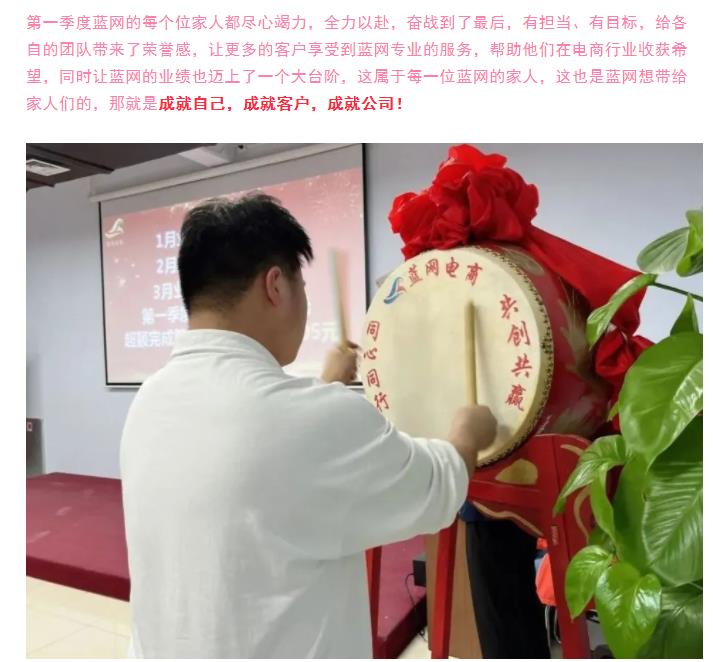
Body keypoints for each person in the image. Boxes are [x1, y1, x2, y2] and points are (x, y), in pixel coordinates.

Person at [120, 193, 498, 659]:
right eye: (302, 285)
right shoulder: (312, 421)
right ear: (275, 285)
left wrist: (325, 387)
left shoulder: (150, 400)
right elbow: (436, 487)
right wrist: (468, 431)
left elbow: (272, 463)